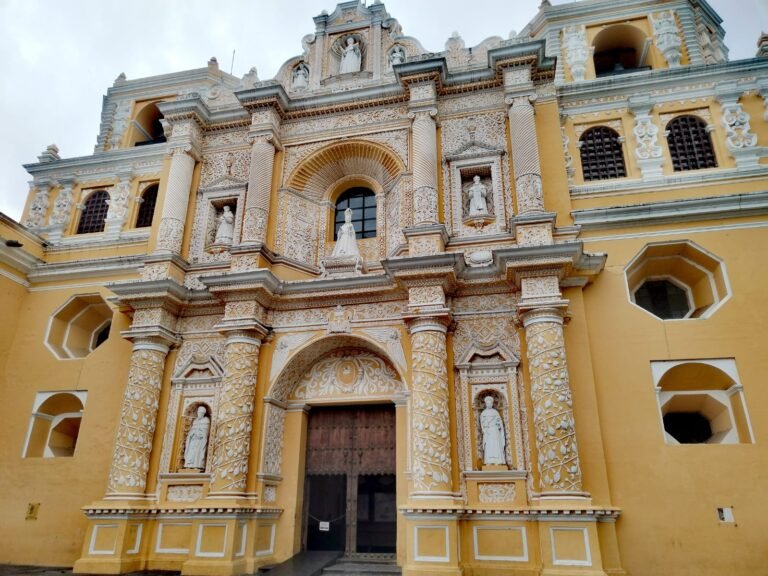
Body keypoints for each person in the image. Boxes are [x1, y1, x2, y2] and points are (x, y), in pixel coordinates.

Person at [480, 396, 506, 465]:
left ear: (492, 404)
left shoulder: (495, 412)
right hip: (488, 432)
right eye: (488, 403)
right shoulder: (483, 413)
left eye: (490, 403)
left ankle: (498, 461)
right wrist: (485, 428)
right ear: (486, 404)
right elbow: (482, 423)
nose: (489, 405)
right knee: (489, 446)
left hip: (495, 431)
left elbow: (499, 423)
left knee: (496, 445)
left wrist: (498, 424)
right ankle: (489, 461)